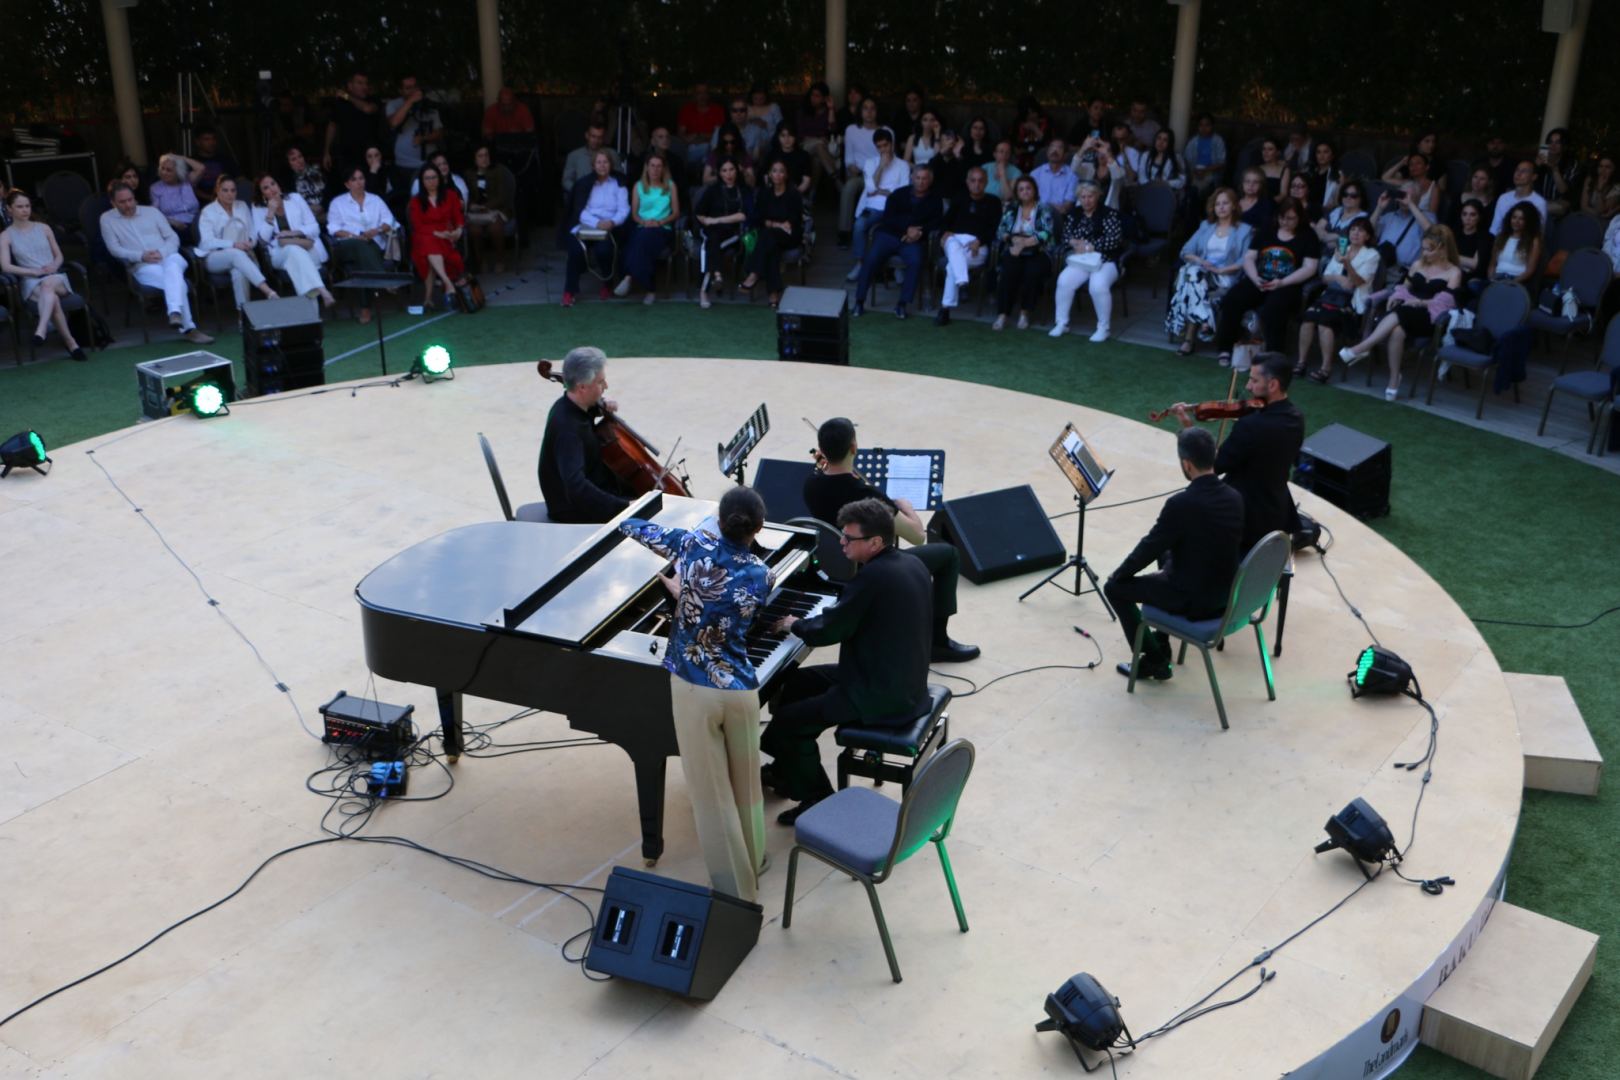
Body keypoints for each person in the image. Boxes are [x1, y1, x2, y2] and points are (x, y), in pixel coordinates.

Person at [618, 487, 773, 902]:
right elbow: (726, 611)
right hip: (742, 689)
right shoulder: (763, 574)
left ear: (719, 521)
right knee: (747, 785)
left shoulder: (691, 544)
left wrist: (683, 588)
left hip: (694, 688)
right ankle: (756, 860)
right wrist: (689, 591)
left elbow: (634, 528)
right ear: (757, 528)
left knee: (712, 797)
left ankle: (737, 894)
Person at [761, 498, 933, 823]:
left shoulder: (872, 579)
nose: (841, 542)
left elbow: (830, 630)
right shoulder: (910, 564)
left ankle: (817, 799)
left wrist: (793, 623)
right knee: (797, 682)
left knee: (788, 724)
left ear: (875, 542)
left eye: (848, 538)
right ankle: (787, 771)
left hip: (879, 694)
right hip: (895, 675)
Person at [804, 418, 979, 663]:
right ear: (853, 447)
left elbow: (835, 487)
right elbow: (917, 537)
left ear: (821, 449)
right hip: (873, 569)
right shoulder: (867, 497)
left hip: (834, 563)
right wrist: (906, 509)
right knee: (948, 555)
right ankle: (937, 642)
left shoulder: (811, 483)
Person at [1103, 427, 1244, 683]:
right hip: (1226, 594)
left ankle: (1155, 661)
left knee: (1114, 588)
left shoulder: (1182, 504)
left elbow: (1150, 546)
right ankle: (1162, 641)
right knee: (1168, 552)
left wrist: (1121, 573)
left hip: (1194, 600)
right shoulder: (1234, 496)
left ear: (1187, 464)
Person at [1173, 353, 1303, 556]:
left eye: (1254, 380)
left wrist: (1188, 427)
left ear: (1273, 385)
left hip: (1241, 518)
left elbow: (1210, 468)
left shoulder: (1251, 426)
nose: (1249, 387)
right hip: (1277, 512)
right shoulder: (1296, 418)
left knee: (1176, 544)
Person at [1340, 225, 1462, 399]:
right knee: (1398, 329)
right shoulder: (1418, 264)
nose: (1424, 253)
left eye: (1428, 249)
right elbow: (1404, 287)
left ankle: (1364, 346)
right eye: (1423, 248)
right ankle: (1394, 378)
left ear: (1442, 249)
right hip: (1407, 310)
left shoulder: (1453, 272)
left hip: (1430, 316)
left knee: (1403, 312)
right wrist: (1397, 295)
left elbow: (1445, 303)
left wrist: (1419, 302)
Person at [100, 183, 214, 344]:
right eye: (122, 202)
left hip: (168, 257)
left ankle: (175, 313)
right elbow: (114, 249)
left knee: (173, 265)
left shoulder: (152, 212)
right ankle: (188, 327)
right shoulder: (107, 219)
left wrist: (162, 252)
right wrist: (141, 256)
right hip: (143, 266)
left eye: (130, 200)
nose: (128, 205)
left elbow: (172, 237)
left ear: (135, 198)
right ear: (113, 203)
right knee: (177, 282)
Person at [1213, 196, 1320, 363]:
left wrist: (1283, 282)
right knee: (1232, 300)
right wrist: (1255, 278)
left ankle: (1273, 356)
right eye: (1282, 218)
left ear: (1299, 217)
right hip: (1260, 279)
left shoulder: (1308, 236)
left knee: (1273, 309)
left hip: (1288, 284)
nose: (1285, 222)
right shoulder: (1267, 230)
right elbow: (1249, 257)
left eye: (1291, 218)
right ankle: (1226, 348)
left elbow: (1310, 268)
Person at [538, 345, 633, 523]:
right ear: (582, 387)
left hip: (591, 487)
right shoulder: (568, 430)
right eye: (600, 382)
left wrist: (600, 404)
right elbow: (577, 488)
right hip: (572, 509)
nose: (606, 386)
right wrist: (624, 508)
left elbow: (584, 414)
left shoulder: (570, 405)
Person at [1, 190, 87, 359]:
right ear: (9, 209)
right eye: (19, 207)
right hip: (31, 282)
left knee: (49, 285)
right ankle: (72, 344)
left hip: (55, 278)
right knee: (52, 299)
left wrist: (54, 266)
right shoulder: (5, 235)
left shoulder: (44, 228)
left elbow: (59, 255)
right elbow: (5, 266)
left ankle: (41, 329)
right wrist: (32, 271)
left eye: (27, 206)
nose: (25, 210)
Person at [1166, 187, 1252, 355]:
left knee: (1192, 285)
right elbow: (1186, 251)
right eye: (1217, 204)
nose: (1221, 207)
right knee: (1193, 273)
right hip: (1204, 275)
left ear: (1234, 205)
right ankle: (1205, 321)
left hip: (1226, 276)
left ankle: (1189, 341)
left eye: (1225, 203)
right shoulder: (1206, 226)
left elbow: (1245, 259)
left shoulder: (1244, 230)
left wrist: (1222, 270)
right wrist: (1202, 261)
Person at [852, 162, 943, 319]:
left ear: (930, 180)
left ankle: (902, 304)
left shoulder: (935, 200)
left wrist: (919, 232)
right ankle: (859, 301)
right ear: (912, 178)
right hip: (889, 235)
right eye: (918, 178)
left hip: (914, 240)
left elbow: (936, 223)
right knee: (871, 259)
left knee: (916, 261)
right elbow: (888, 218)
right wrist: (907, 228)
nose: (921, 182)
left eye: (925, 179)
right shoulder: (898, 194)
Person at [1297, 215, 1378, 382]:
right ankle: (1301, 362)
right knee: (1308, 318)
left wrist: (1346, 264)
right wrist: (1338, 278)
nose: (1355, 233)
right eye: (1353, 229)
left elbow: (1355, 283)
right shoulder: (1343, 248)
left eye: (1361, 230)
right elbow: (1325, 277)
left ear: (1368, 236)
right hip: (1331, 295)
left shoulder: (1372, 255)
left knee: (1325, 322)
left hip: (1351, 302)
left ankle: (1325, 368)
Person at [1050, 180, 1125, 342]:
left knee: (1097, 286)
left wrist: (1092, 245)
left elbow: (1114, 240)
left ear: (1098, 196)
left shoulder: (1109, 214)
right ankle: (1062, 323)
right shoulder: (1074, 213)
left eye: (1090, 196)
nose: (1086, 200)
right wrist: (1073, 242)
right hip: (1082, 260)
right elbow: (1066, 236)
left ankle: (1103, 328)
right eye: (1083, 197)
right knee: (1064, 281)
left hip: (1106, 259)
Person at [196, 175, 279, 312]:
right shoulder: (208, 211)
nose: (230, 194)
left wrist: (250, 243)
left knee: (238, 272)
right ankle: (268, 290)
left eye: (233, 190)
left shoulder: (242, 206)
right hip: (214, 257)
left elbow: (252, 232)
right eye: (225, 190)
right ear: (217, 190)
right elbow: (206, 242)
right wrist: (234, 244)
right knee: (235, 253)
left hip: (242, 255)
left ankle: (243, 316)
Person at [326, 166, 398, 324]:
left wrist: (377, 229)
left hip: (373, 244)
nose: (359, 182)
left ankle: (365, 309)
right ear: (347, 184)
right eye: (354, 179)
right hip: (347, 245)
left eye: (361, 178)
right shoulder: (338, 203)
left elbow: (390, 221)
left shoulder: (375, 200)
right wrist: (356, 236)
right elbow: (333, 228)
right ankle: (385, 279)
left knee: (362, 261)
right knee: (361, 245)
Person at [253, 174, 334, 308]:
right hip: (279, 253)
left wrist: (293, 233)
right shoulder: (258, 208)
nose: (272, 189)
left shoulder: (295, 198)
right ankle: (322, 289)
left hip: (306, 248)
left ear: (278, 185)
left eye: (273, 183)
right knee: (293, 249)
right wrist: (270, 213)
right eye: (266, 188)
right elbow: (262, 241)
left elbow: (314, 227)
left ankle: (312, 313)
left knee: (296, 261)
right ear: (262, 194)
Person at [560, 150, 629, 307]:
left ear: (611, 165)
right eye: (599, 162)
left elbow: (624, 210)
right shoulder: (584, 183)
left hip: (609, 226)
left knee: (604, 250)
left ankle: (607, 284)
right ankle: (569, 292)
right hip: (587, 225)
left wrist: (612, 222)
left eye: (605, 162)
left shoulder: (619, 184)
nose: (602, 165)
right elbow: (579, 210)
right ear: (593, 165)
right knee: (575, 251)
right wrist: (596, 223)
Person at [935, 166, 998, 325]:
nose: (977, 184)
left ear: (986, 182)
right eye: (973, 180)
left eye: (980, 181)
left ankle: (945, 308)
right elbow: (945, 221)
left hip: (977, 245)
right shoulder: (959, 198)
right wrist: (944, 233)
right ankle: (962, 279)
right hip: (955, 240)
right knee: (951, 242)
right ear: (967, 182)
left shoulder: (993, 202)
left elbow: (994, 229)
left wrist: (980, 241)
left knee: (951, 267)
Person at [614, 153, 680, 304]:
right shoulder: (638, 186)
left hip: (663, 228)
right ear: (647, 167)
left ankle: (629, 277)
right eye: (652, 165)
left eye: (659, 166)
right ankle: (650, 289)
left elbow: (676, 213)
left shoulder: (670, 185)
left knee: (640, 241)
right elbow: (634, 214)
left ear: (663, 169)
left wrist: (660, 222)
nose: (655, 169)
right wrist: (644, 222)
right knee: (639, 241)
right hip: (642, 226)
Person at [992, 175, 1056, 331]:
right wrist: (1014, 240)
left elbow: (1046, 233)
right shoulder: (1012, 208)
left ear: (1034, 190)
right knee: (1008, 271)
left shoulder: (1044, 208)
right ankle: (1002, 314)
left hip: (1039, 250)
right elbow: (1001, 231)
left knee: (1032, 272)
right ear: (1017, 193)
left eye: (1028, 188)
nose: (1025, 192)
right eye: (1021, 189)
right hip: (1014, 247)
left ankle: (1025, 312)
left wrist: (1023, 244)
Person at [845, 127, 909, 281]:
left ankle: (896, 268)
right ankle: (860, 263)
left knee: (898, 228)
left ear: (892, 144)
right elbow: (871, 188)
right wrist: (881, 167)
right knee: (860, 225)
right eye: (879, 147)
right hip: (873, 207)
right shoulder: (870, 163)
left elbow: (902, 192)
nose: (883, 150)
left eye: (885, 145)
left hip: (894, 209)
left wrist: (881, 191)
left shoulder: (903, 165)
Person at [739, 159, 802, 309]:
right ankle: (773, 294)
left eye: (781, 171)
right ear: (769, 174)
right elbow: (758, 218)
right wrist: (776, 224)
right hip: (771, 235)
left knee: (767, 237)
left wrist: (773, 224)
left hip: (789, 235)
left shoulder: (793, 194)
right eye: (774, 171)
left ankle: (753, 273)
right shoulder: (764, 193)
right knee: (771, 248)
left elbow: (793, 220)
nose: (778, 174)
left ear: (786, 175)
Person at [405, 163, 467, 308]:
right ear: (422, 181)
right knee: (428, 243)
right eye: (427, 178)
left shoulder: (451, 196)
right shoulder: (416, 201)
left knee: (430, 249)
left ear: (439, 178)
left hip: (446, 236)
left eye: (434, 177)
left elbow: (458, 218)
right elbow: (418, 226)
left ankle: (428, 298)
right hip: (424, 235)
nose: (431, 181)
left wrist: (458, 230)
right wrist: (437, 233)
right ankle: (447, 282)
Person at [695, 158, 753, 307]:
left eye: (731, 169)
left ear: (737, 171)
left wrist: (716, 220)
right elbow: (699, 213)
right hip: (710, 231)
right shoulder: (712, 190)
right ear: (719, 173)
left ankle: (707, 288)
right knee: (712, 243)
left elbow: (744, 215)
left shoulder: (744, 190)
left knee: (711, 247)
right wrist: (707, 221)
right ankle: (716, 277)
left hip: (733, 233)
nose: (728, 174)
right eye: (724, 170)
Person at [385, 74, 444, 192]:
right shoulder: (394, 104)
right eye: (408, 88)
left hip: (428, 163)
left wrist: (424, 138)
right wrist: (411, 101)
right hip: (404, 164)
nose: (413, 90)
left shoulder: (429, 105)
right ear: (400, 91)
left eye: (415, 87)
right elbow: (394, 123)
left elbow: (440, 132)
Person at [463, 145, 515, 274]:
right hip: (475, 212)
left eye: (486, 155)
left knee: (495, 227)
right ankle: (481, 261)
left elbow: (503, 195)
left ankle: (500, 260)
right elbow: (464, 195)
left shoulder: (499, 171)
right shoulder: (468, 174)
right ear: (474, 159)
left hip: (497, 209)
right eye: (480, 156)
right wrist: (472, 206)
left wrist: (486, 207)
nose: (484, 158)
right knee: (474, 230)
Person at [838, 97, 883, 246]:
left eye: (873, 108)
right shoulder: (851, 130)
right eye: (865, 108)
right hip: (860, 175)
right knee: (849, 187)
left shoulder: (886, 131)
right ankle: (844, 232)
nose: (869, 112)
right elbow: (849, 159)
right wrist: (853, 168)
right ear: (860, 111)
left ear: (877, 111)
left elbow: (889, 157)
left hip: (880, 176)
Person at [323, 71, 380, 174]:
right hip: (347, 156)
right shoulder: (340, 103)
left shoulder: (373, 99)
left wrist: (347, 97)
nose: (364, 86)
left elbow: (367, 109)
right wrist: (327, 152)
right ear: (350, 86)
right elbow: (332, 126)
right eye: (360, 83)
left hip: (370, 156)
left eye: (366, 83)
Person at [796, 82, 839, 186]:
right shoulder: (803, 111)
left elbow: (832, 129)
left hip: (821, 147)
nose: (813, 98)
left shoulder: (827, 112)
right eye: (812, 95)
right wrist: (818, 138)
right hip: (804, 145)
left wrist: (831, 108)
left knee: (817, 161)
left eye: (817, 96)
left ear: (824, 98)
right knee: (819, 144)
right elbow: (800, 133)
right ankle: (837, 178)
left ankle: (811, 195)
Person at [1487, 202, 1541, 286]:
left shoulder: (1533, 241)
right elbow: (1492, 264)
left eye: (1521, 219)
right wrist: (1491, 279)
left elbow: (1530, 270)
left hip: (1516, 280)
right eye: (1514, 217)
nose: (1516, 221)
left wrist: (1512, 282)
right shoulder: (1501, 237)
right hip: (1497, 278)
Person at [561, 123, 619, 198]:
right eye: (593, 136)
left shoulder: (612, 154)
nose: (596, 140)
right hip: (581, 197)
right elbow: (566, 180)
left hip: (607, 197)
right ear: (587, 135)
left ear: (603, 138)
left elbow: (620, 178)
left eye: (599, 137)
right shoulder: (574, 155)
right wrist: (579, 190)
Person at [1490, 161, 1548, 235]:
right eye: (1517, 170)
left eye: (1524, 171)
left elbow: (1539, 232)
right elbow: (1495, 228)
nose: (1518, 174)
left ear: (1534, 177)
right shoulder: (1503, 198)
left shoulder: (1539, 202)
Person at [677, 83, 725, 173]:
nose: (702, 96)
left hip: (712, 147)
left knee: (711, 149)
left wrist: (699, 135)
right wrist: (693, 139)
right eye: (699, 93)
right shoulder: (686, 110)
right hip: (691, 148)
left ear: (708, 94)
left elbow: (720, 134)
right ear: (694, 95)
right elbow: (681, 134)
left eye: (705, 93)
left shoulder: (717, 110)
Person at [760, 122, 814, 198]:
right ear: (778, 137)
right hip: (774, 195)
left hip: (797, 195)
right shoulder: (771, 155)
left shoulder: (804, 156)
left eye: (790, 135)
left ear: (795, 136)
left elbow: (806, 180)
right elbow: (766, 176)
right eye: (783, 135)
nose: (787, 139)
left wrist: (795, 194)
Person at [149, 154, 199, 235]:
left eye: (169, 170)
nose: (164, 172)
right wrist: (172, 222)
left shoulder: (187, 181)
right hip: (173, 227)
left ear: (178, 171)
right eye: (162, 168)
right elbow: (154, 214)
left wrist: (182, 158)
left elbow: (201, 168)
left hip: (195, 224)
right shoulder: (155, 188)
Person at [1533, 128, 1578, 217]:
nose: (1553, 145)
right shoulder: (1542, 160)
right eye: (1550, 142)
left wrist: (1554, 169)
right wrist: (1536, 167)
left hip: (1559, 206)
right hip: (1541, 201)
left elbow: (1564, 191)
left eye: (1557, 142)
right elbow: (1530, 183)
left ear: (1564, 145)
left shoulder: (1571, 164)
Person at [185, 129, 238, 203]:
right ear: (197, 142)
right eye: (206, 139)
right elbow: (186, 187)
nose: (211, 142)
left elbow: (238, 180)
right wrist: (209, 197)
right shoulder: (191, 162)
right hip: (199, 203)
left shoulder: (225, 160)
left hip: (225, 200)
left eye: (213, 139)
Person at [1030, 138, 1078, 216]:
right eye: (1052, 147)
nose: (1055, 150)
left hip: (1059, 217)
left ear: (1065, 154)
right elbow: (1029, 201)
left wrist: (1047, 207)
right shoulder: (1035, 174)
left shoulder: (1072, 176)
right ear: (1047, 152)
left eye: (1059, 148)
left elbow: (1067, 206)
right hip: (1036, 215)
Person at [1188, 113, 1227, 200]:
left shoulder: (1218, 141)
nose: (1204, 128)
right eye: (1201, 125)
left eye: (1207, 125)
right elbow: (1187, 160)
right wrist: (1195, 171)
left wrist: (1205, 170)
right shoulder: (1193, 141)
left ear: (1212, 126)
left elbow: (1222, 162)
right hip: (1195, 174)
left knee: (1201, 192)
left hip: (1211, 174)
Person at [703, 123, 756, 188]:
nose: (729, 145)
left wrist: (743, 172)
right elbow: (705, 180)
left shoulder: (744, 155)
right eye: (725, 142)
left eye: (732, 142)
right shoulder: (715, 154)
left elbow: (752, 183)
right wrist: (723, 175)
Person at [284, 145, 327, 222]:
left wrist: (323, 206)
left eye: (300, 156)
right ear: (289, 164)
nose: (299, 161)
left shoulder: (318, 171)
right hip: (305, 216)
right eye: (293, 159)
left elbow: (329, 192)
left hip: (325, 211)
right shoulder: (288, 182)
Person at [1577, 153, 1618, 221]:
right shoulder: (1590, 179)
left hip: (1603, 223)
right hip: (1586, 216)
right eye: (1600, 166)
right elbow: (1583, 206)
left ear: (1613, 169)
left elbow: (1601, 210)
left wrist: (1600, 190)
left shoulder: (1616, 187)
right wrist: (1599, 214)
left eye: (1607, 167)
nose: (1603, 170)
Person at [983, 139, 1023, 203]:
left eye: (1007, 152)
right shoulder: (985, 167)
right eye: (1001, 151)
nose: (1004, 155)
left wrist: (1003, 174)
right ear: (994, 154)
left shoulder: (1016, 172)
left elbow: (1008, 197)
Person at [1256, 137, 1290, 201]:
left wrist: (1269, 204)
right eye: (1264, 149)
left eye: (1270, 149)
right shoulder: (1258, 169)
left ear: (1278, 152)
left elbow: (1283, 194)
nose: (1266, 152)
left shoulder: (1284, 170)